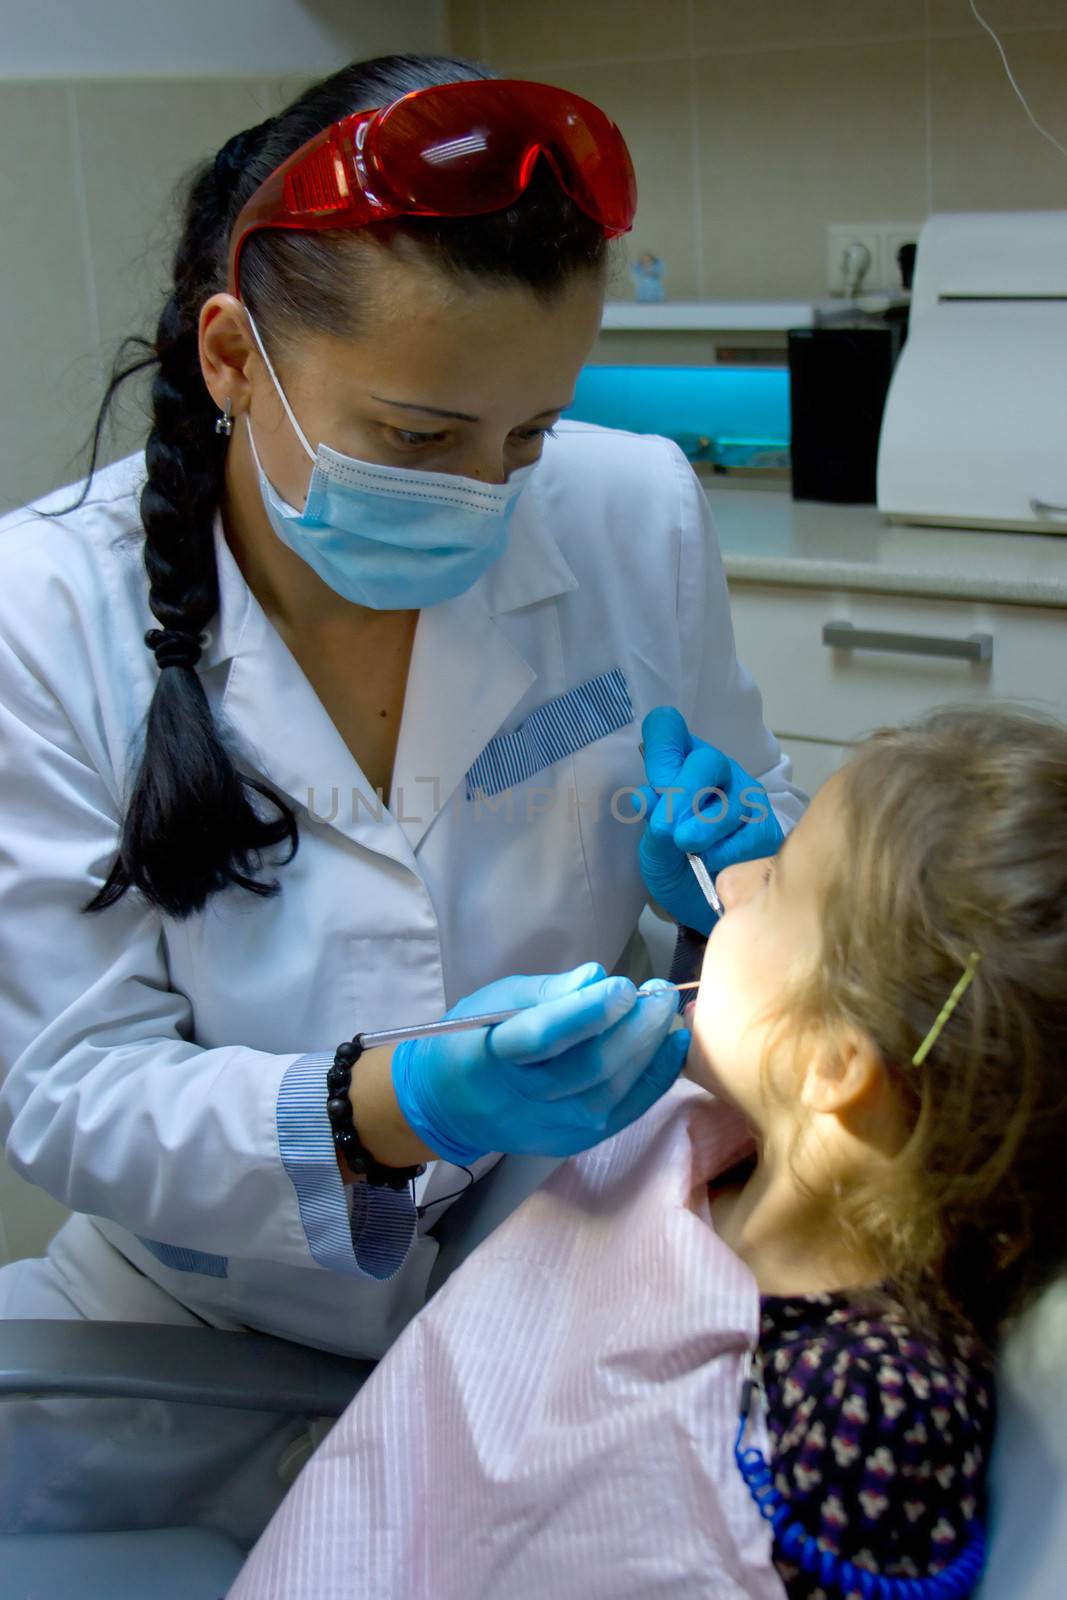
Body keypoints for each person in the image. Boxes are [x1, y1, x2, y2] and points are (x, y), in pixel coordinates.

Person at [0, 54, 803, 1542]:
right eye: (421, 440)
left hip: (554, 1273)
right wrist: (395, 1107)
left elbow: (749, 809)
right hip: (193, 1323)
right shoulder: (39, 610)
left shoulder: (632, 510)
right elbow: (72, 1089)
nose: (490, 494)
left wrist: (735, 882)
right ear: (233, 360)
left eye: (527, 435)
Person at [227, 705, 1067, 1599]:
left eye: (775, 879)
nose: (733, 886)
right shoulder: (718, 1134)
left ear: (834, 1067)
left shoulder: (869, 1412)